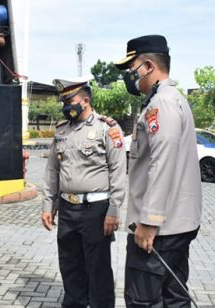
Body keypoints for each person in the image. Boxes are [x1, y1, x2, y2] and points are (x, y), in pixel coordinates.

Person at [114, 35, 202, 307]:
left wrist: (149, 221)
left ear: (148, 66)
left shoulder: (161, 103)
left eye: (132, 69)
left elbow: (161, 162)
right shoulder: (170, 99)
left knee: (144, 300)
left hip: (159, 230)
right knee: (173, 298)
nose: (130, 76)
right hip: (175, 224)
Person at [41, 78, 127, 308]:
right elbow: (52, 170)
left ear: (85, 100)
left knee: (98, 269)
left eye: (69, 100)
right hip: (68, 209)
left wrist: (114, 210)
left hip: (96, 211)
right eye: (63, 101)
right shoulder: (62, 131)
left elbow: (119, 172)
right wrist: (48, 205)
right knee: (70, 267)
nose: (65, 105)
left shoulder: (107, 128)